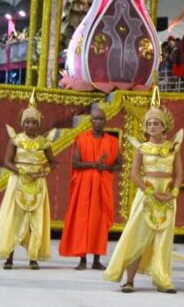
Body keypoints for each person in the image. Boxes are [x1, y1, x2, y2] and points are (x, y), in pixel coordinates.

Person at [104, 87, 183, 293]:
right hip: (146, 196)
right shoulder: (142, 147)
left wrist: (173, 193)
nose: (152, 126)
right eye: (149, 123)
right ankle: (129, 280)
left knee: (164, 240)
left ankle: (162, 280)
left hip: (167, 197)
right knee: (136, 235)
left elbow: (179, 174)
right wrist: (150, 192)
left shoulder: (173, 147)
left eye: (156, 123)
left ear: (163, 126)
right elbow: (134, 175)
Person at [0, 91, 57, 270]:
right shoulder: (16, 140)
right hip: (18, 182)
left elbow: (53, 162)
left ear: (39, 124)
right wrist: (21, 172)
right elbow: (6, 162)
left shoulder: (44, 142)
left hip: (37, 185)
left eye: (34, 122)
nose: (30, 125)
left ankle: (33, 257)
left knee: (36, 220)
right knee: (14, 218)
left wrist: (43, 172)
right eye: (27, 122)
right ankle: (9, 257)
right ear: (22, 123)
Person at [59, 108, 120, 270]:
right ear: (90, 121)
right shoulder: (81, 139)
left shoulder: (112, 141)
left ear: (105, 121)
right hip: (85, 186)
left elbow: (119, 164)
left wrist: (106, 167)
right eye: (95, 119)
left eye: (101, 119)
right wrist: (94, 164)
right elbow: (76, 163)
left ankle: (97, 259)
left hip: (102, 185)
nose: (98, 122)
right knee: (83, 221)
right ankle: (82, 259)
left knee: (98, 222)